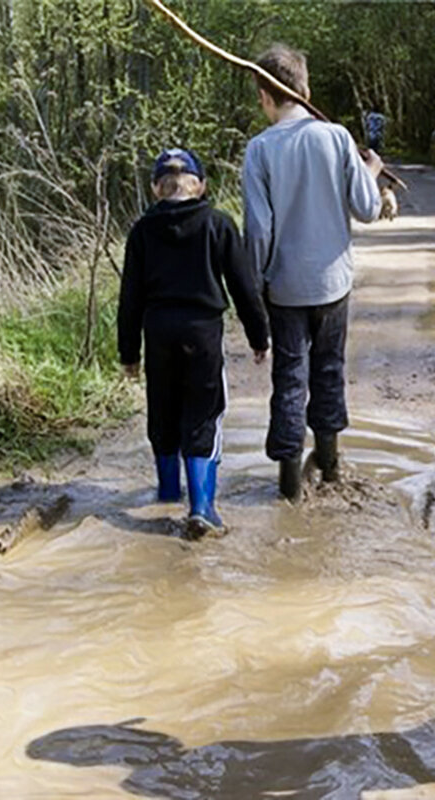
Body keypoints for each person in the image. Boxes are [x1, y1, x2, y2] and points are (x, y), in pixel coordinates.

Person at [242, 45, 383, 503]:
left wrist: (258, 281)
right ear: (305, 89)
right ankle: (331, 468)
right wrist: (372, 170)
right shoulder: (337, 137)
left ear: (266, 96)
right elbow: (368, 208)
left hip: (284, 289)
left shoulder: (259, 150)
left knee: (290, 381)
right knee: (329, 372)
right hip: (333, 285)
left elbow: (259, 230)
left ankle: (288, 490)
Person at [118, 148, 270, 538]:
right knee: (204, 413)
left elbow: (130, 296)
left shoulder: (141, 231)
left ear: (156, 189)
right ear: (200, 186)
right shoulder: (217, 223)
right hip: (202, 332)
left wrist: (129, 353)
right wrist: (259, 335)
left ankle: (167, 494)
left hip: (158, 330)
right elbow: (243, 286)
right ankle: (202, 508)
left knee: (163, 409)